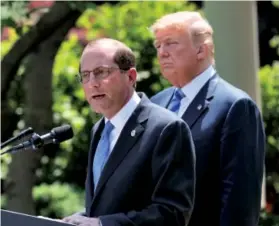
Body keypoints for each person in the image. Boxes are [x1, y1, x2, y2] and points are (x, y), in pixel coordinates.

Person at [62, 38, 196, 226]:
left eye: (101, 73)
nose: (92, 83)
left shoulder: (166, 128)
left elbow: (172, 213)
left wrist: (102, 224)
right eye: (85, 75)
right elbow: (107, 206)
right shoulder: (99, 130)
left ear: (131, 77)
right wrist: (79, 220)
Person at [149, 11, 265, 226]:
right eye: (158, 46)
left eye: (170, 43)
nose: (162, 53)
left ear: (201, 49)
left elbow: (240, 201)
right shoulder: (155, 103)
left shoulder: (235, 106)